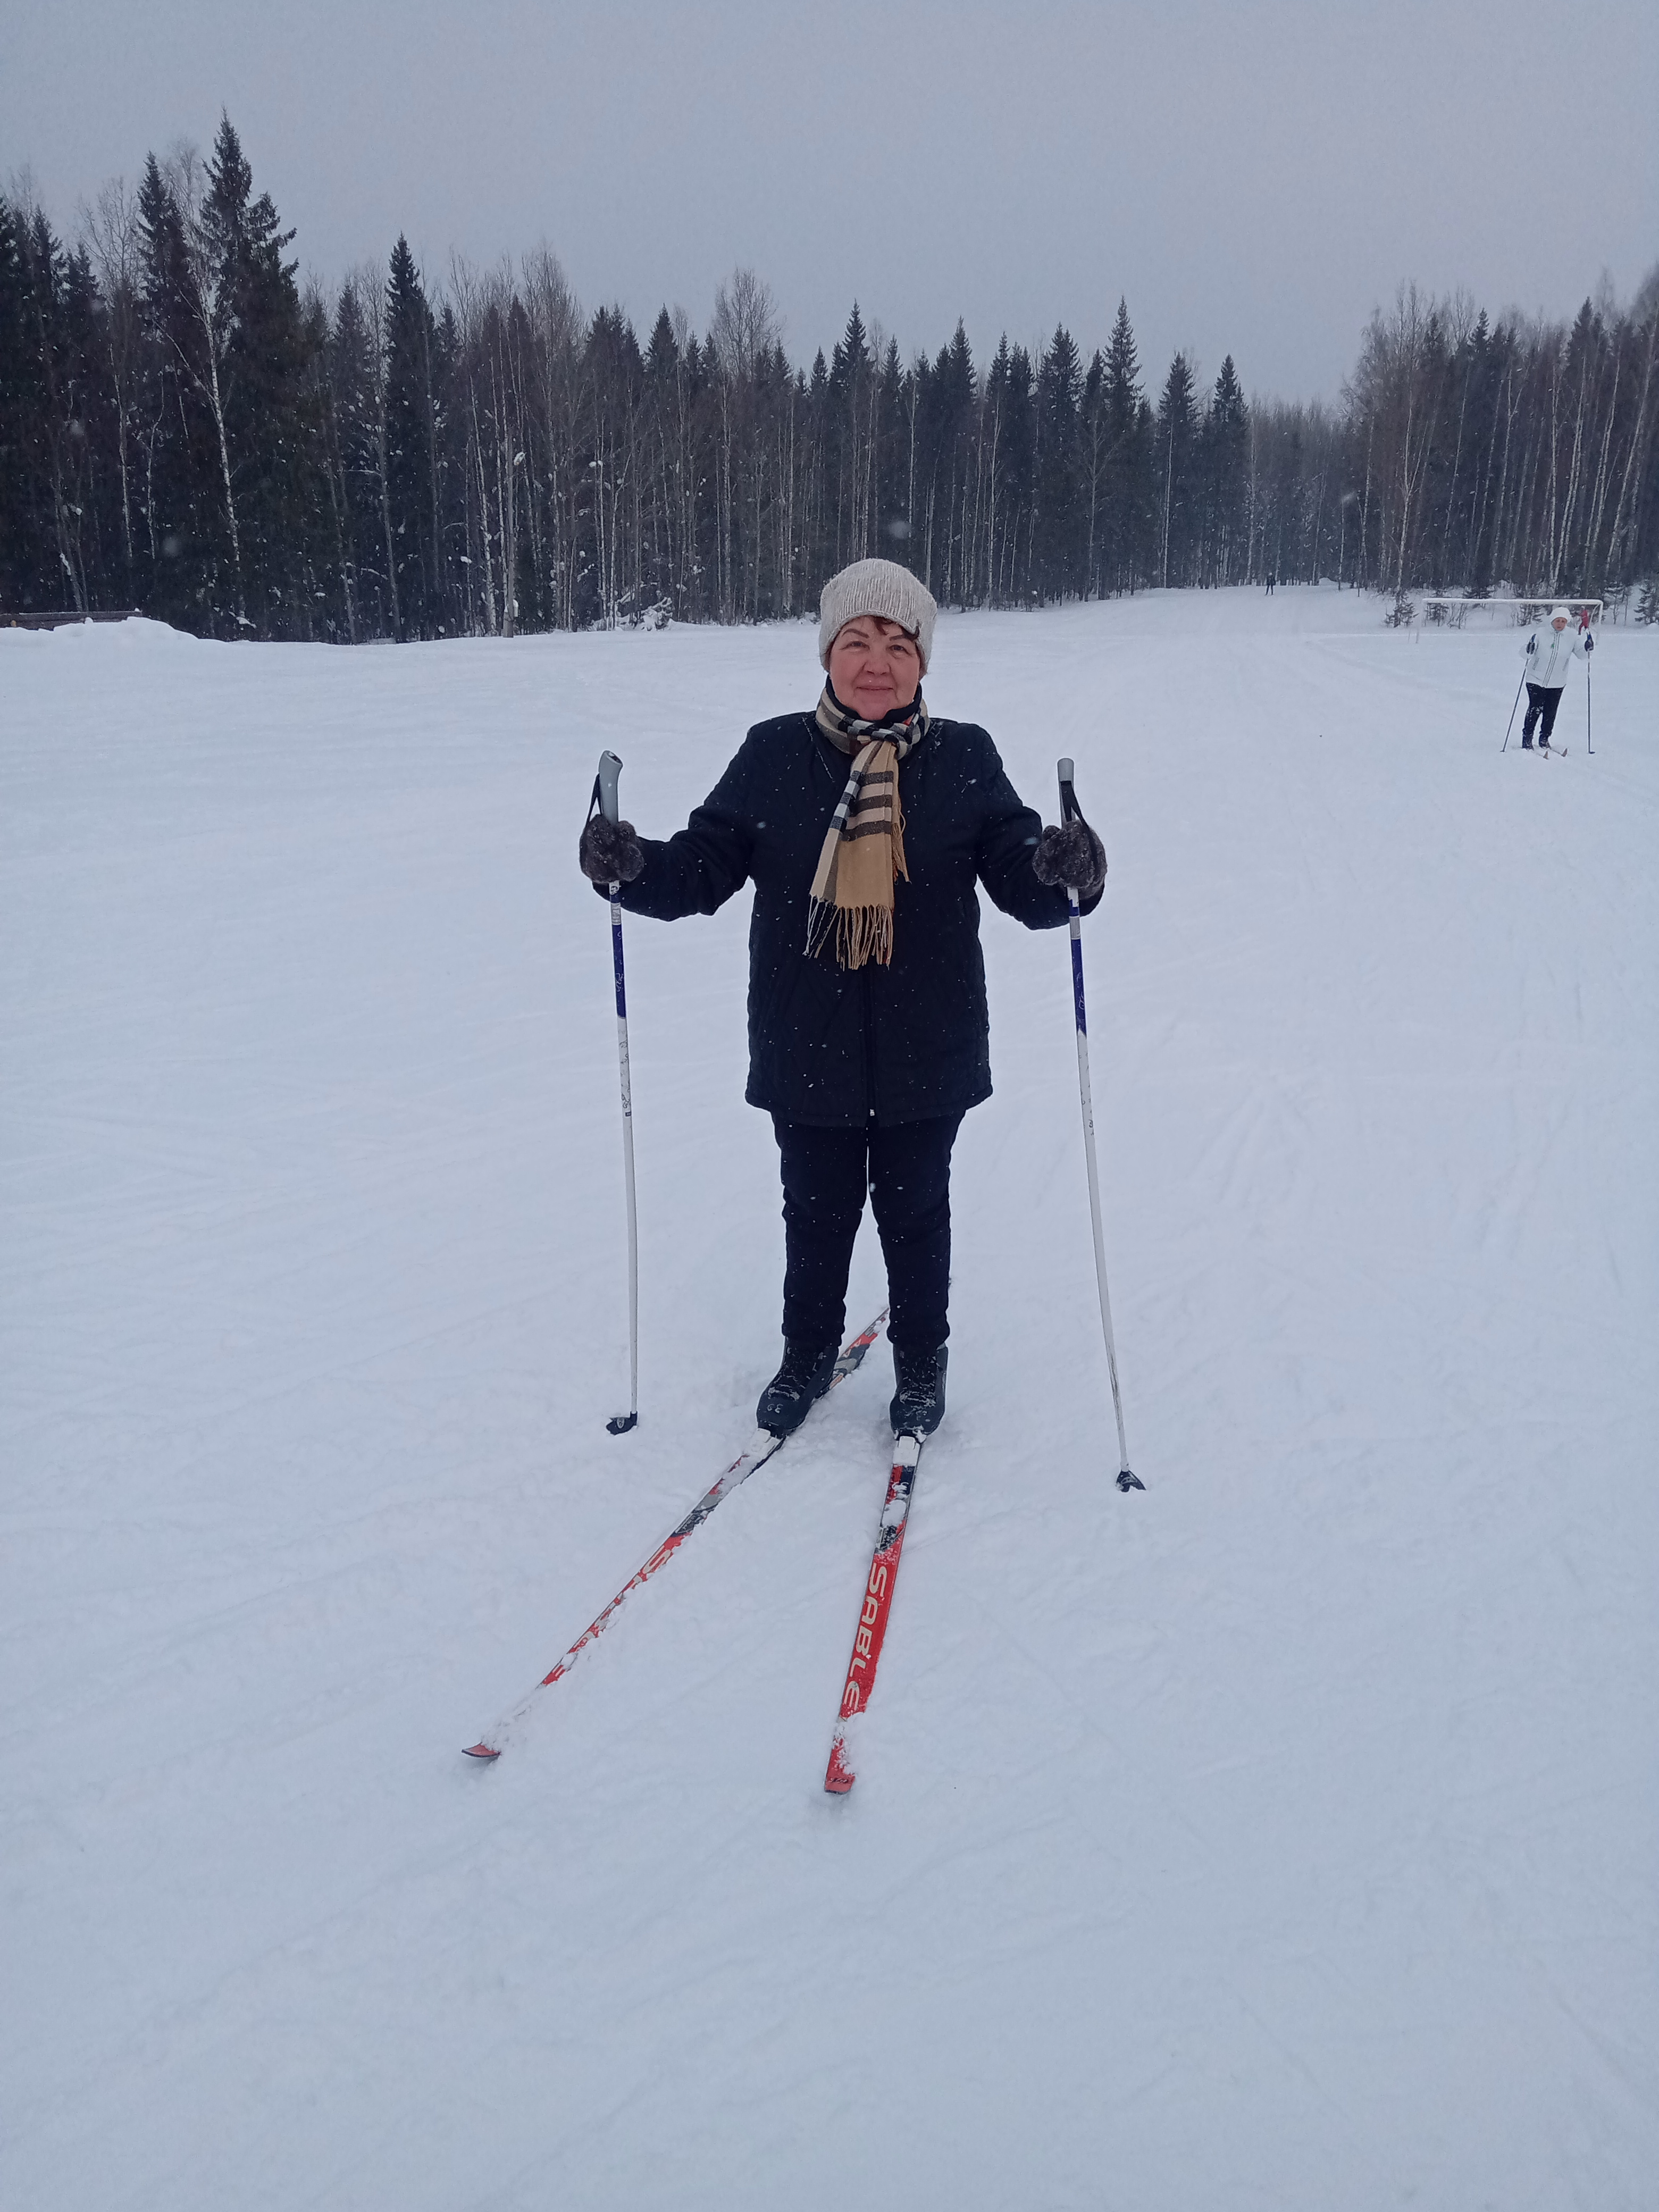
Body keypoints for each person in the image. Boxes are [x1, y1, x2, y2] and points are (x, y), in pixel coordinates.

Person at [577, 557, 1106, 1441]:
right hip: (805, 1040)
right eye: (858, 641)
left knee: (916, 1214)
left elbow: (1027, 885)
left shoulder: (965, 758)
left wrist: (1068, 871)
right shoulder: (774, 754)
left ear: (922, 662)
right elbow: (701, 869)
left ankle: (923, 1363)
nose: (877, 663)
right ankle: (807, 1354)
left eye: (899, 645)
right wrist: (630, 867)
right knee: (815, 1214)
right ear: (827, 652)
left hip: (928, 1044)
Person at [1520, 604, 1593, 750]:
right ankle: (1527, 739)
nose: (1560, 624)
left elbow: (1582, 655)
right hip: (1535, 678)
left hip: (1558, 681)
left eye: (1563, 621)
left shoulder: (1572, 636)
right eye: (1558, 621)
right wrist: (1529, 649)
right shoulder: (1540, 633)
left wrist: (1588, 648)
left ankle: (1544, 738)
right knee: (1536, 708)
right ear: (1552, 620)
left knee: (1551, 711)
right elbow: (1525, 653)